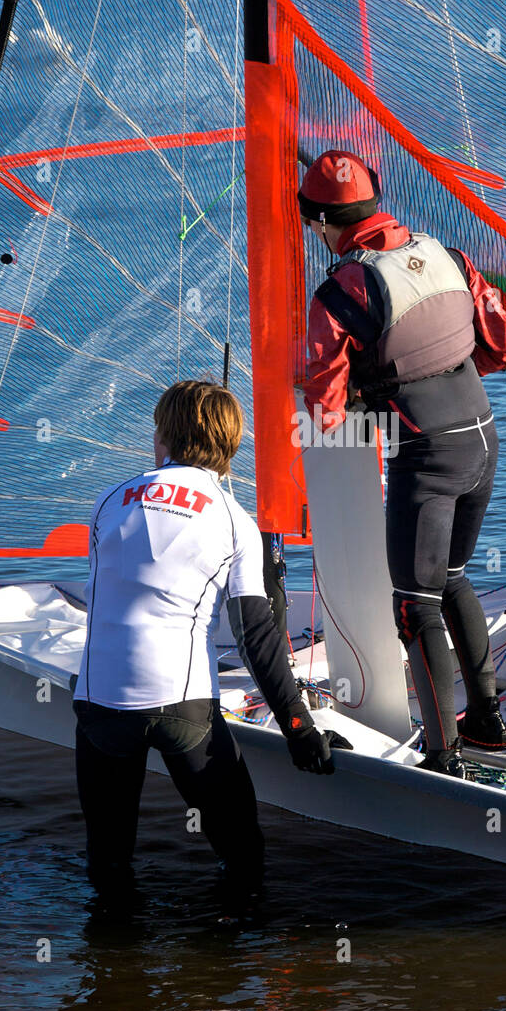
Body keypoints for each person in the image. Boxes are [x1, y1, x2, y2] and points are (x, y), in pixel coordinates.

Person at [72, 378, 346, 911]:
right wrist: (298, 728)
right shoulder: (236, 521)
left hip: (98, 708)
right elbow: (255, 635)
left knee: (109, 867)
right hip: (183, 709)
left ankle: (113, 977)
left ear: (164, 439)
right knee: (242, 853)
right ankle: (228, 967)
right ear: (230, 445)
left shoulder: (108, 502)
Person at [298, 150, 506, 776]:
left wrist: (369, 389)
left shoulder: (343, 289)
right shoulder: (448, 255)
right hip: (482, 438)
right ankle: (487, 724)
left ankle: (443, 757)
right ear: (375, 203)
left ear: (320, 224)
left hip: (427, 456)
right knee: (449, 577)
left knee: (414, 604)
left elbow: (323, 406)